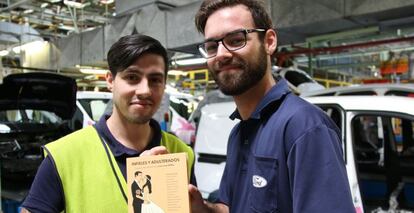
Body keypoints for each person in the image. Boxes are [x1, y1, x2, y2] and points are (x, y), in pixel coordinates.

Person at [189, 0, 355, 212]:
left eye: (236, 39)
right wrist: (200, 207)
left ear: (269, 42)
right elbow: (230, 207)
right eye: (212, 46)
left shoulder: (304, 128)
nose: (221, 54)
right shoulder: (239, 134)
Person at [21, 34, 196, 212]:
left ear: (164, 84)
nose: (144, 90)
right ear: (110, 81)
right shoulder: (64, 156)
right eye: (132, 77)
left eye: (155, 80)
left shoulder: (182, 154)